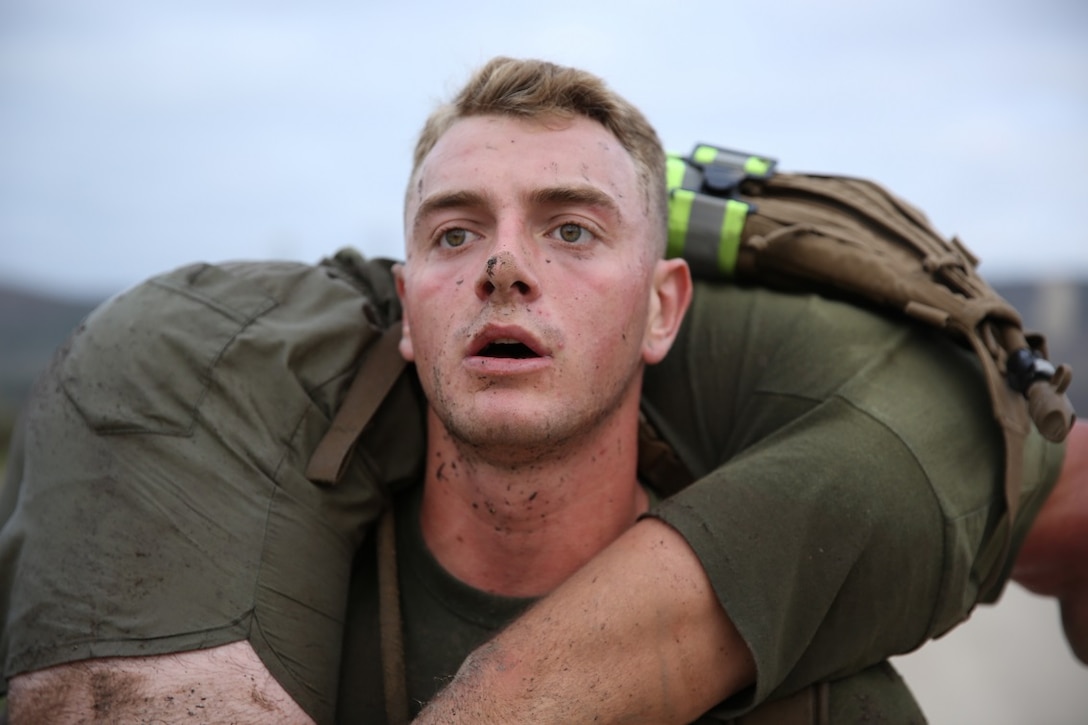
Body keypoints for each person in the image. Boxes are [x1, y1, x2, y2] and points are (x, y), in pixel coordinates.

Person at [0, 56, 1081, 724]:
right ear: (406, 309)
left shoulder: (816, 698)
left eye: (570, 228)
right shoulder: (277, 629)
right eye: (455, 231)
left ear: (663, 308)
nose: (503, 266)